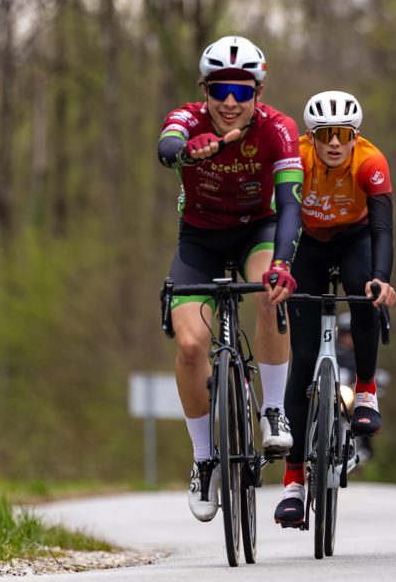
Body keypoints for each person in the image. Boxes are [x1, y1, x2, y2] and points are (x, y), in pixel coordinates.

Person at [156, 35, 303, 523]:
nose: (230, 102)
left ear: (258, 92)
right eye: (221, 89)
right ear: (205, 90)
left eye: (242, 91)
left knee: (269, 291)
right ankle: (203, 460)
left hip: (257, 231)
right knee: (190, 347)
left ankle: (273, 410)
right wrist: (186, 153)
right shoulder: (188, 118)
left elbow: (290, 205)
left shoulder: (279, 129)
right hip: (200, 238)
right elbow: (167, 147)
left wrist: (282, 262)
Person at [274, 90, 396, 528]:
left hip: (354, 240)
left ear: (354, 136)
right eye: (324, 134)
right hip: (307, 243)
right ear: (311, 137)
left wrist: (381, 277)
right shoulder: (297, 158)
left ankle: (365, 390)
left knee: (365, 293)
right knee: (303, 360)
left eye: (342, 134)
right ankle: (293, 482)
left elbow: (382, 229)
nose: (333, 143)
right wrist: (280, 266)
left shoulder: (370, 161)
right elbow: (283, 214)